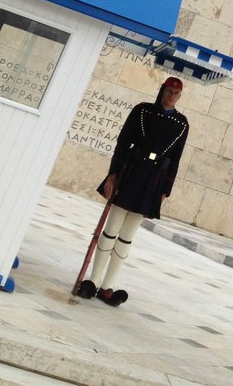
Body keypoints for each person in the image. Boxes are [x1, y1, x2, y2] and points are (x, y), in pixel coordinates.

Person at [78, 75, 189, 306]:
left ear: (180, 96)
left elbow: (175, 160)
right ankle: (93, 281)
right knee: (111, 230)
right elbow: (122, 143)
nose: (172, 96)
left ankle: (107, 286)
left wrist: (165, 190)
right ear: (162, 90)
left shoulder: (181, 124)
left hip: (153, 181)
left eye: (176, 94)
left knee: (127, 236)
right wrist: (113, 174)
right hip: (131, 173)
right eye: (169, 91)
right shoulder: (142, 111)